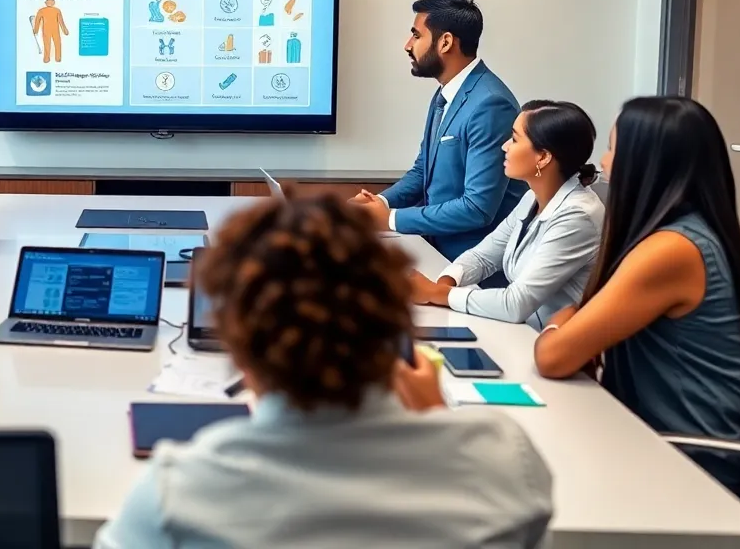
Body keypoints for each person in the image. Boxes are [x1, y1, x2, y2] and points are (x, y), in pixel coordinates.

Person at [94, 194, 553, 549]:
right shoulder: (503, 461)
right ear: (394, 321)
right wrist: (438, 417)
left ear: (238, 348)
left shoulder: (176, 494)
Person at [533, 96, 740, 501]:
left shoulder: (673, 250)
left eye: (612, 148)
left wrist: (561, 320)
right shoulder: (694, 232)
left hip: (686, 473)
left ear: (645, 162)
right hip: (651, 445)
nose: (604, 163)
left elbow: (553, 357)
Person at [350, 0, 526, 263]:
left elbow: (477, 208)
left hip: (471, 266)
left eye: (416, 35)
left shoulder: (491, 103)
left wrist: (390, 219)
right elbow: (423, 171)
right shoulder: (445, 94)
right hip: (434, 249)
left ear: (445, 42)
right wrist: (380, 204)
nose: (408, 45)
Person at [409, 100, 604, 328]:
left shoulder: (578, 216)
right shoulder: (532, 197)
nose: (504, 146)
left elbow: (515, 304)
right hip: (523, 335)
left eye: (514, 138)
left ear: (543, 157)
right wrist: (443, 285)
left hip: (554, 347)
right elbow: (483, 257)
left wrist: (436, 294)